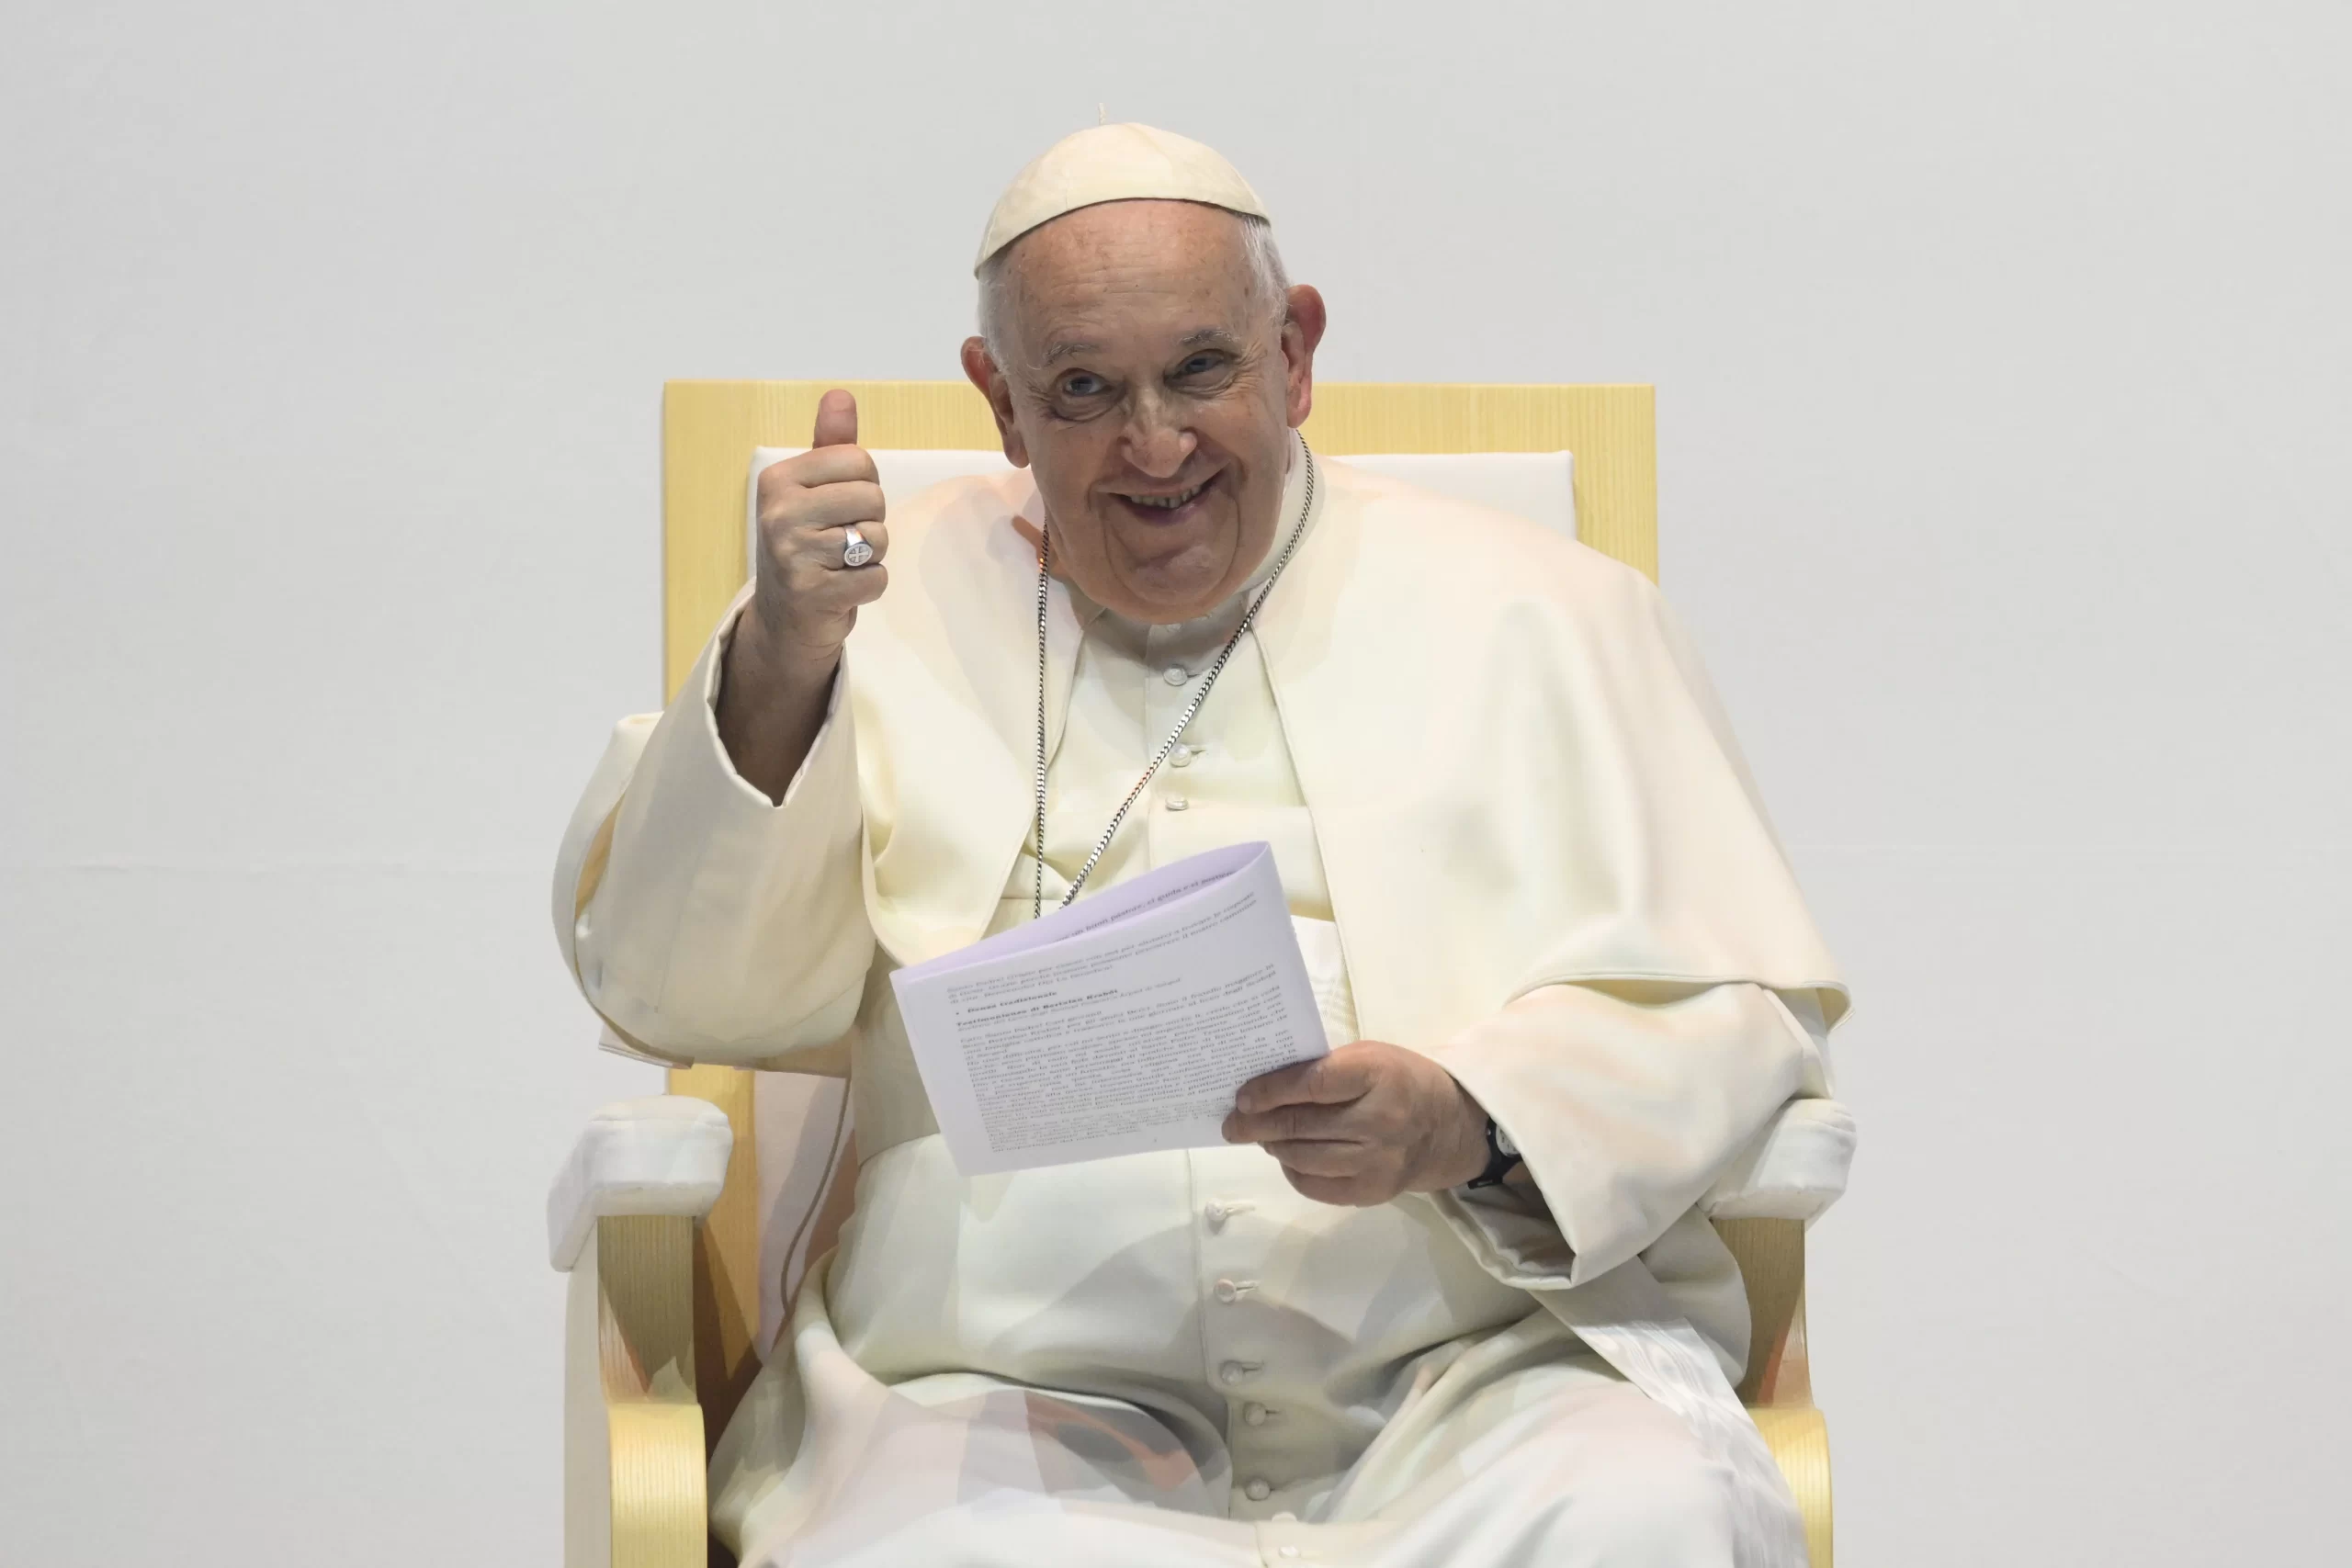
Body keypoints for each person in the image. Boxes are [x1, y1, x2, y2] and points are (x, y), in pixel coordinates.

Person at [554, 123, 1849, 1568]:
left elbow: (1734, 1014)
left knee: (1637, 1510)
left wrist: (1466, 1117)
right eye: (1086, 390)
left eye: (1203, 371)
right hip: (986, 1404)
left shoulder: (1543, 611)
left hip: (1476, 1382)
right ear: (999, 402)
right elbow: (676, 991)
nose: (1154, 445)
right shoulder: (878, 612)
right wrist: (782, 661)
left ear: (1295, 353)